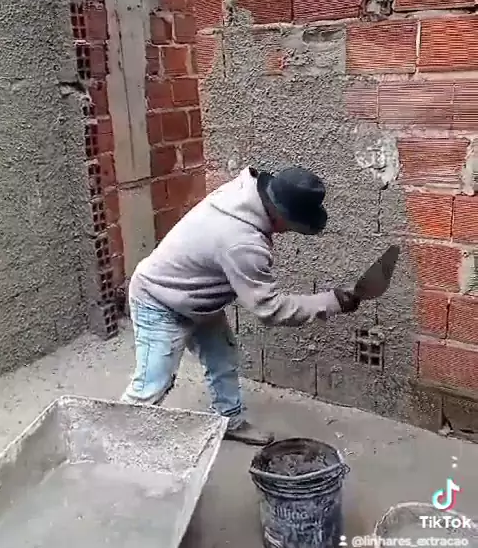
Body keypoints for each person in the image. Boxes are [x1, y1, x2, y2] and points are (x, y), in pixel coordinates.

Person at [122, 166, 360, 446]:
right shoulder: (242, 243)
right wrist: (330, 302)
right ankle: (116, 440)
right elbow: (270, 309)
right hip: (158, 298)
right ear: (280, 214)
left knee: (222, 358)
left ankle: (229, 421)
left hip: (197, 298)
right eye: (295, 224)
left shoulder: (245, 192)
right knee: (152, 383)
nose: (290, 231)